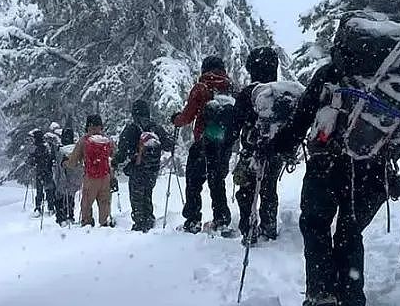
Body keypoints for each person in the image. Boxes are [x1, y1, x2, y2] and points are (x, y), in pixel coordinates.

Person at [269, 12, 400, 306]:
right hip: (373, 168)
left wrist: (278, 147)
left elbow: (301, 118)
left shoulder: (330, 74)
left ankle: (321, 288)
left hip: (324, 164)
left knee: (315, 223)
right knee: (349, 232)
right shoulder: (392, 77)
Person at [229, 45, 295, 243]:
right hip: (274, 153)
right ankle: (269, 226)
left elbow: (235, 125)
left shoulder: (248, 93)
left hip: (251, 151)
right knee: (269, 189)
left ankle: (249, 230)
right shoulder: (283, 93)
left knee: (246, 192)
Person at [171, 55, 234, 234]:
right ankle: (221, 220)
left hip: (204, 142)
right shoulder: (231, 88)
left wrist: (176, 120)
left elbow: (188, 116)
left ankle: (192, 220)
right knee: (217, 181)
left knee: (193, 181)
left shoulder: (202, 87)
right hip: (224, 144)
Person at [115, 98, 172, 232]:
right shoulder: (155, 127)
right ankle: (149, 220)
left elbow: (122, 150)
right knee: (147, 194)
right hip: (153, 169)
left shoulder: (131, 128)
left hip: (137, 168)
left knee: (137, 198)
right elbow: (169, 145)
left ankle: (140, 224)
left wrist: (115, 161)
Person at [66, 114, 117, 227]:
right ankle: (104, 224)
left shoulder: (84, 141)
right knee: (104, 204)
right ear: (101, 126)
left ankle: (87, 225)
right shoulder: (107, 141)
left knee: (87, 204)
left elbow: (73, 162)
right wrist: (112, 176)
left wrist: (65, 163)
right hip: (106, 177)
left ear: (87, 126)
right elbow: (114, 159)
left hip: (90, 178)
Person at [28, 127, 56, 217]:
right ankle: (51, 208)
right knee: (49, 190)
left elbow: (33, 161)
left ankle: (38, 208)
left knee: (40, 191)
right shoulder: (47, 146)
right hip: (48, 171)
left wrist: (32, 161)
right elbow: (52, 158)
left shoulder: (38, 148)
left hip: (41, 172)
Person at [59, 123, 83, 223]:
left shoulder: (61, 149)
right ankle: (70, 215)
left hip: (64, 176)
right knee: (70, 196)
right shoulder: (75, 147)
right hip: (74, 176)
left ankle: (65, 215)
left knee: (64, 195)